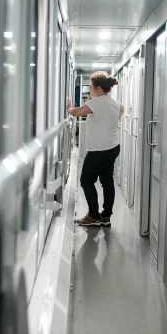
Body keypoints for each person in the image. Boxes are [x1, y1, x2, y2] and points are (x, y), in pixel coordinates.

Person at [66, 72, 124, 227]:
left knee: (86, 180)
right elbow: (122, 110)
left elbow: (77, 112)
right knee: (107, 182)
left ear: (98, 88)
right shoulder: (114, 103)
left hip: (99, 150)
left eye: (91, 87)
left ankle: (93, 216)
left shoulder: (97, 102)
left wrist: (69, 108)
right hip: (113, 148)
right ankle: (106, 217)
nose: (90, 89)